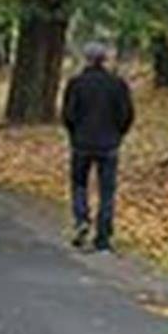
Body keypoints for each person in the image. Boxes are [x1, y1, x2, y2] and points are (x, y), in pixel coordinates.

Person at [60, 43, 135, 251]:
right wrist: (119, 133)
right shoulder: (117, 84)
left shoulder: (76, 83)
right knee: (107, 190)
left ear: (86, 59)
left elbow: (68, 114)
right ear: (104, 60)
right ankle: (103, 235)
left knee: (79, 184)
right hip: (109, 143)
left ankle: (81, 218)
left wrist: (74, 133)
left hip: (82, 142)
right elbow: (127, 113)